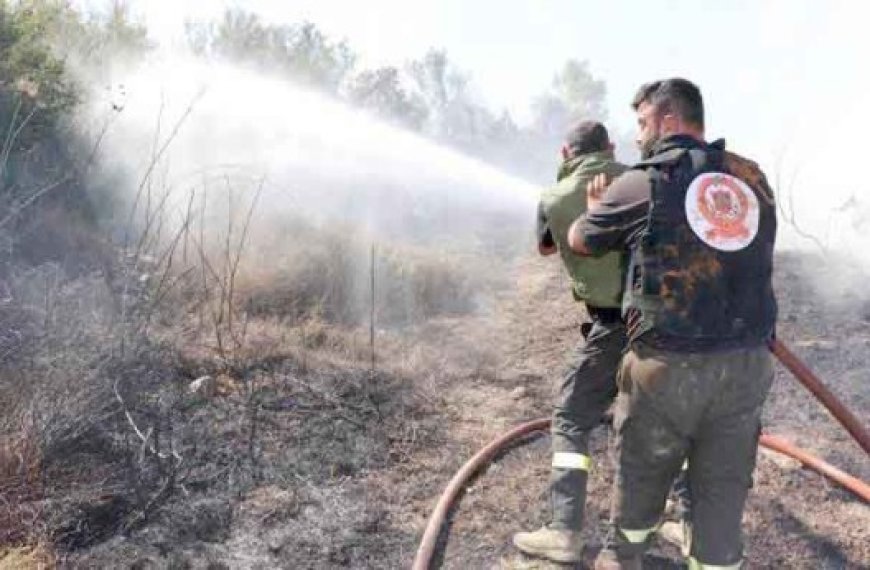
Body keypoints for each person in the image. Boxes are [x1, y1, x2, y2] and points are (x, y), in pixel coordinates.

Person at [568, 78, 777, 570]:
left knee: (643, 473)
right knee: (723, 489)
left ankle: (627, 556)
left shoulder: (645, 180)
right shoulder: (753, 179)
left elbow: (580, 239)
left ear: (667, 120)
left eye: (642, 123)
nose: (639, 136)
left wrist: (598, 209)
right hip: (747, 366)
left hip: (669, 366)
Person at [515, 120, 688, 563]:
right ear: (610, 147)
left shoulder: (553, 198)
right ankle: (690, 524)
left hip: (614, 326)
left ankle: (564, 530)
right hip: (667, 324)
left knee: (571, 418)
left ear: (564, 152)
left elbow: (547, 248)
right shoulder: (642, 178)